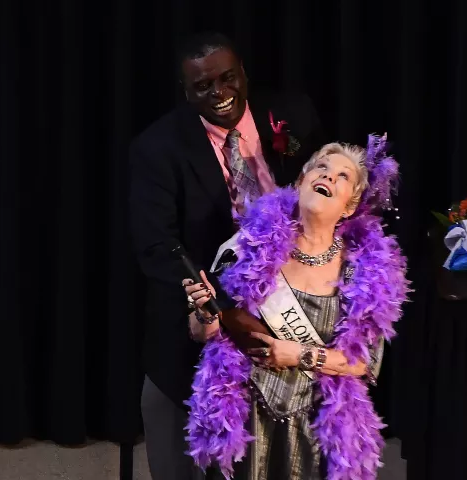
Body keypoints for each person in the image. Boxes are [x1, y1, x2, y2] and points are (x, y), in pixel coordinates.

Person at [129, 31, 325, 480]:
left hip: (298, 311)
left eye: (227, 78)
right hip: (204, 322)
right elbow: (157, 247)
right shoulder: (157, 149)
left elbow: (330, 193)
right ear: (186, 92)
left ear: (243, 74)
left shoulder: (293, 115)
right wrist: (220, 309)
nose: (219, 92)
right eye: (203, 86)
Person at [181, 135, 412, 479]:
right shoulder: (248, 246)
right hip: (244, 420)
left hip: (317, 429)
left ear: (349, 207)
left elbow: (364, 363)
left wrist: (299, 355)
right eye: (321, 167)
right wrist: (203, 312)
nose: (328, 176)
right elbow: (205, 333)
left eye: (342, 176)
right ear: (301, 181)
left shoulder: (363, 270)